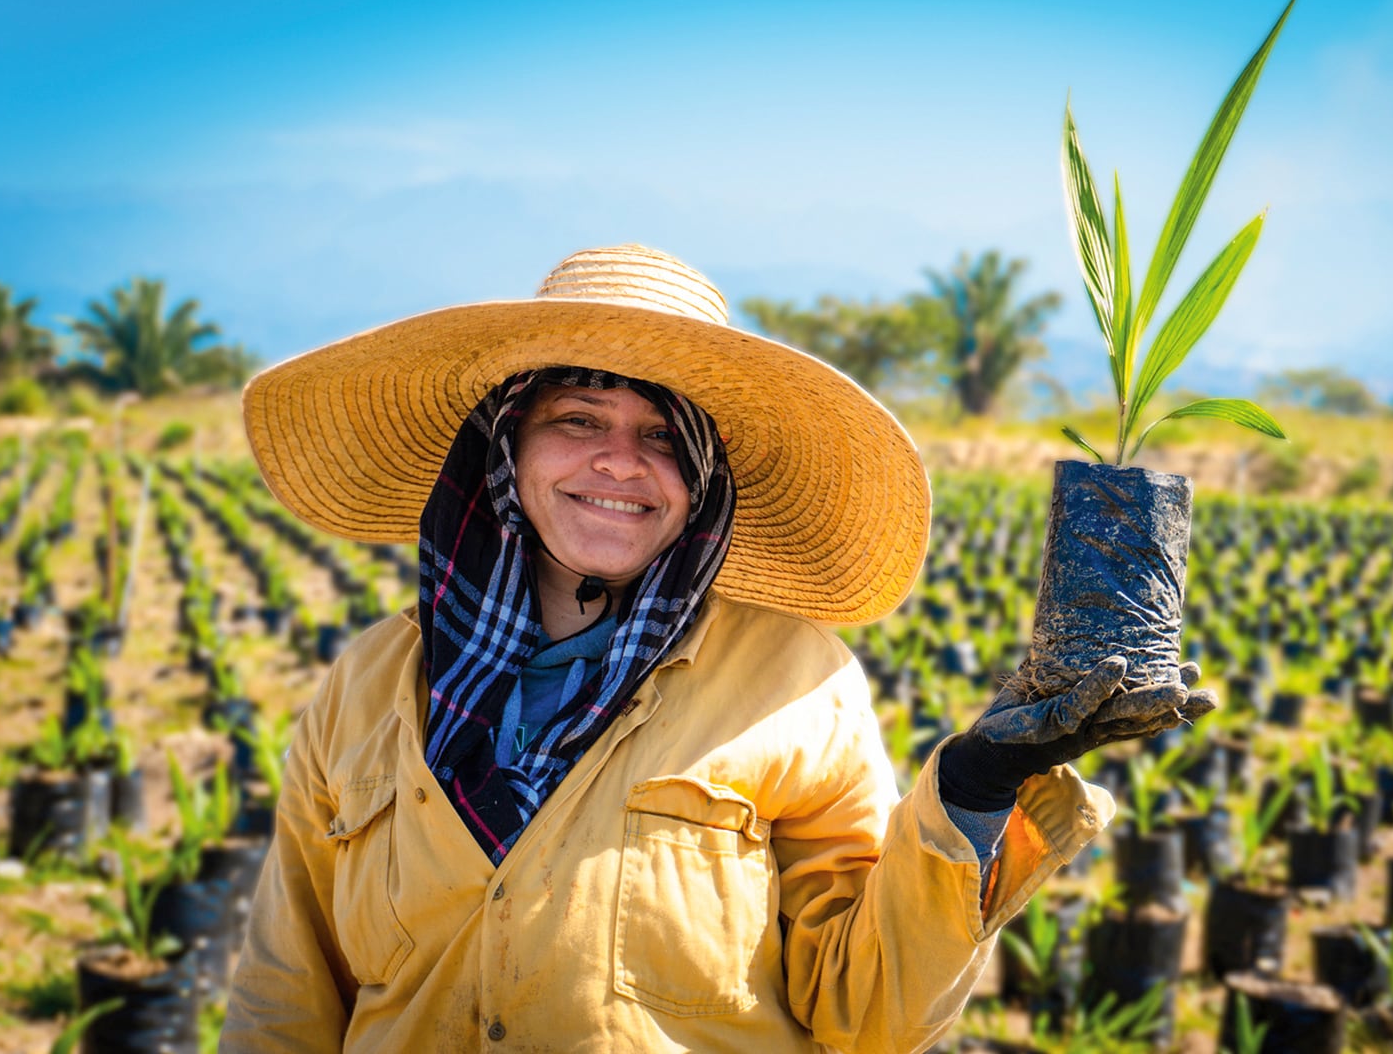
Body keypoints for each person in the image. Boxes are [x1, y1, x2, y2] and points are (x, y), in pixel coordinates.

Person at [219, 245, 1214, 1053]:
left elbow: (868, 1014)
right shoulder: (370, 685)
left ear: (701, 479)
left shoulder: (794, 684)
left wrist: (979, 784)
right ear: (504, 449)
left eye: (664, 436)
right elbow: (286, 991)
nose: (620, 461)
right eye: (577, 419)